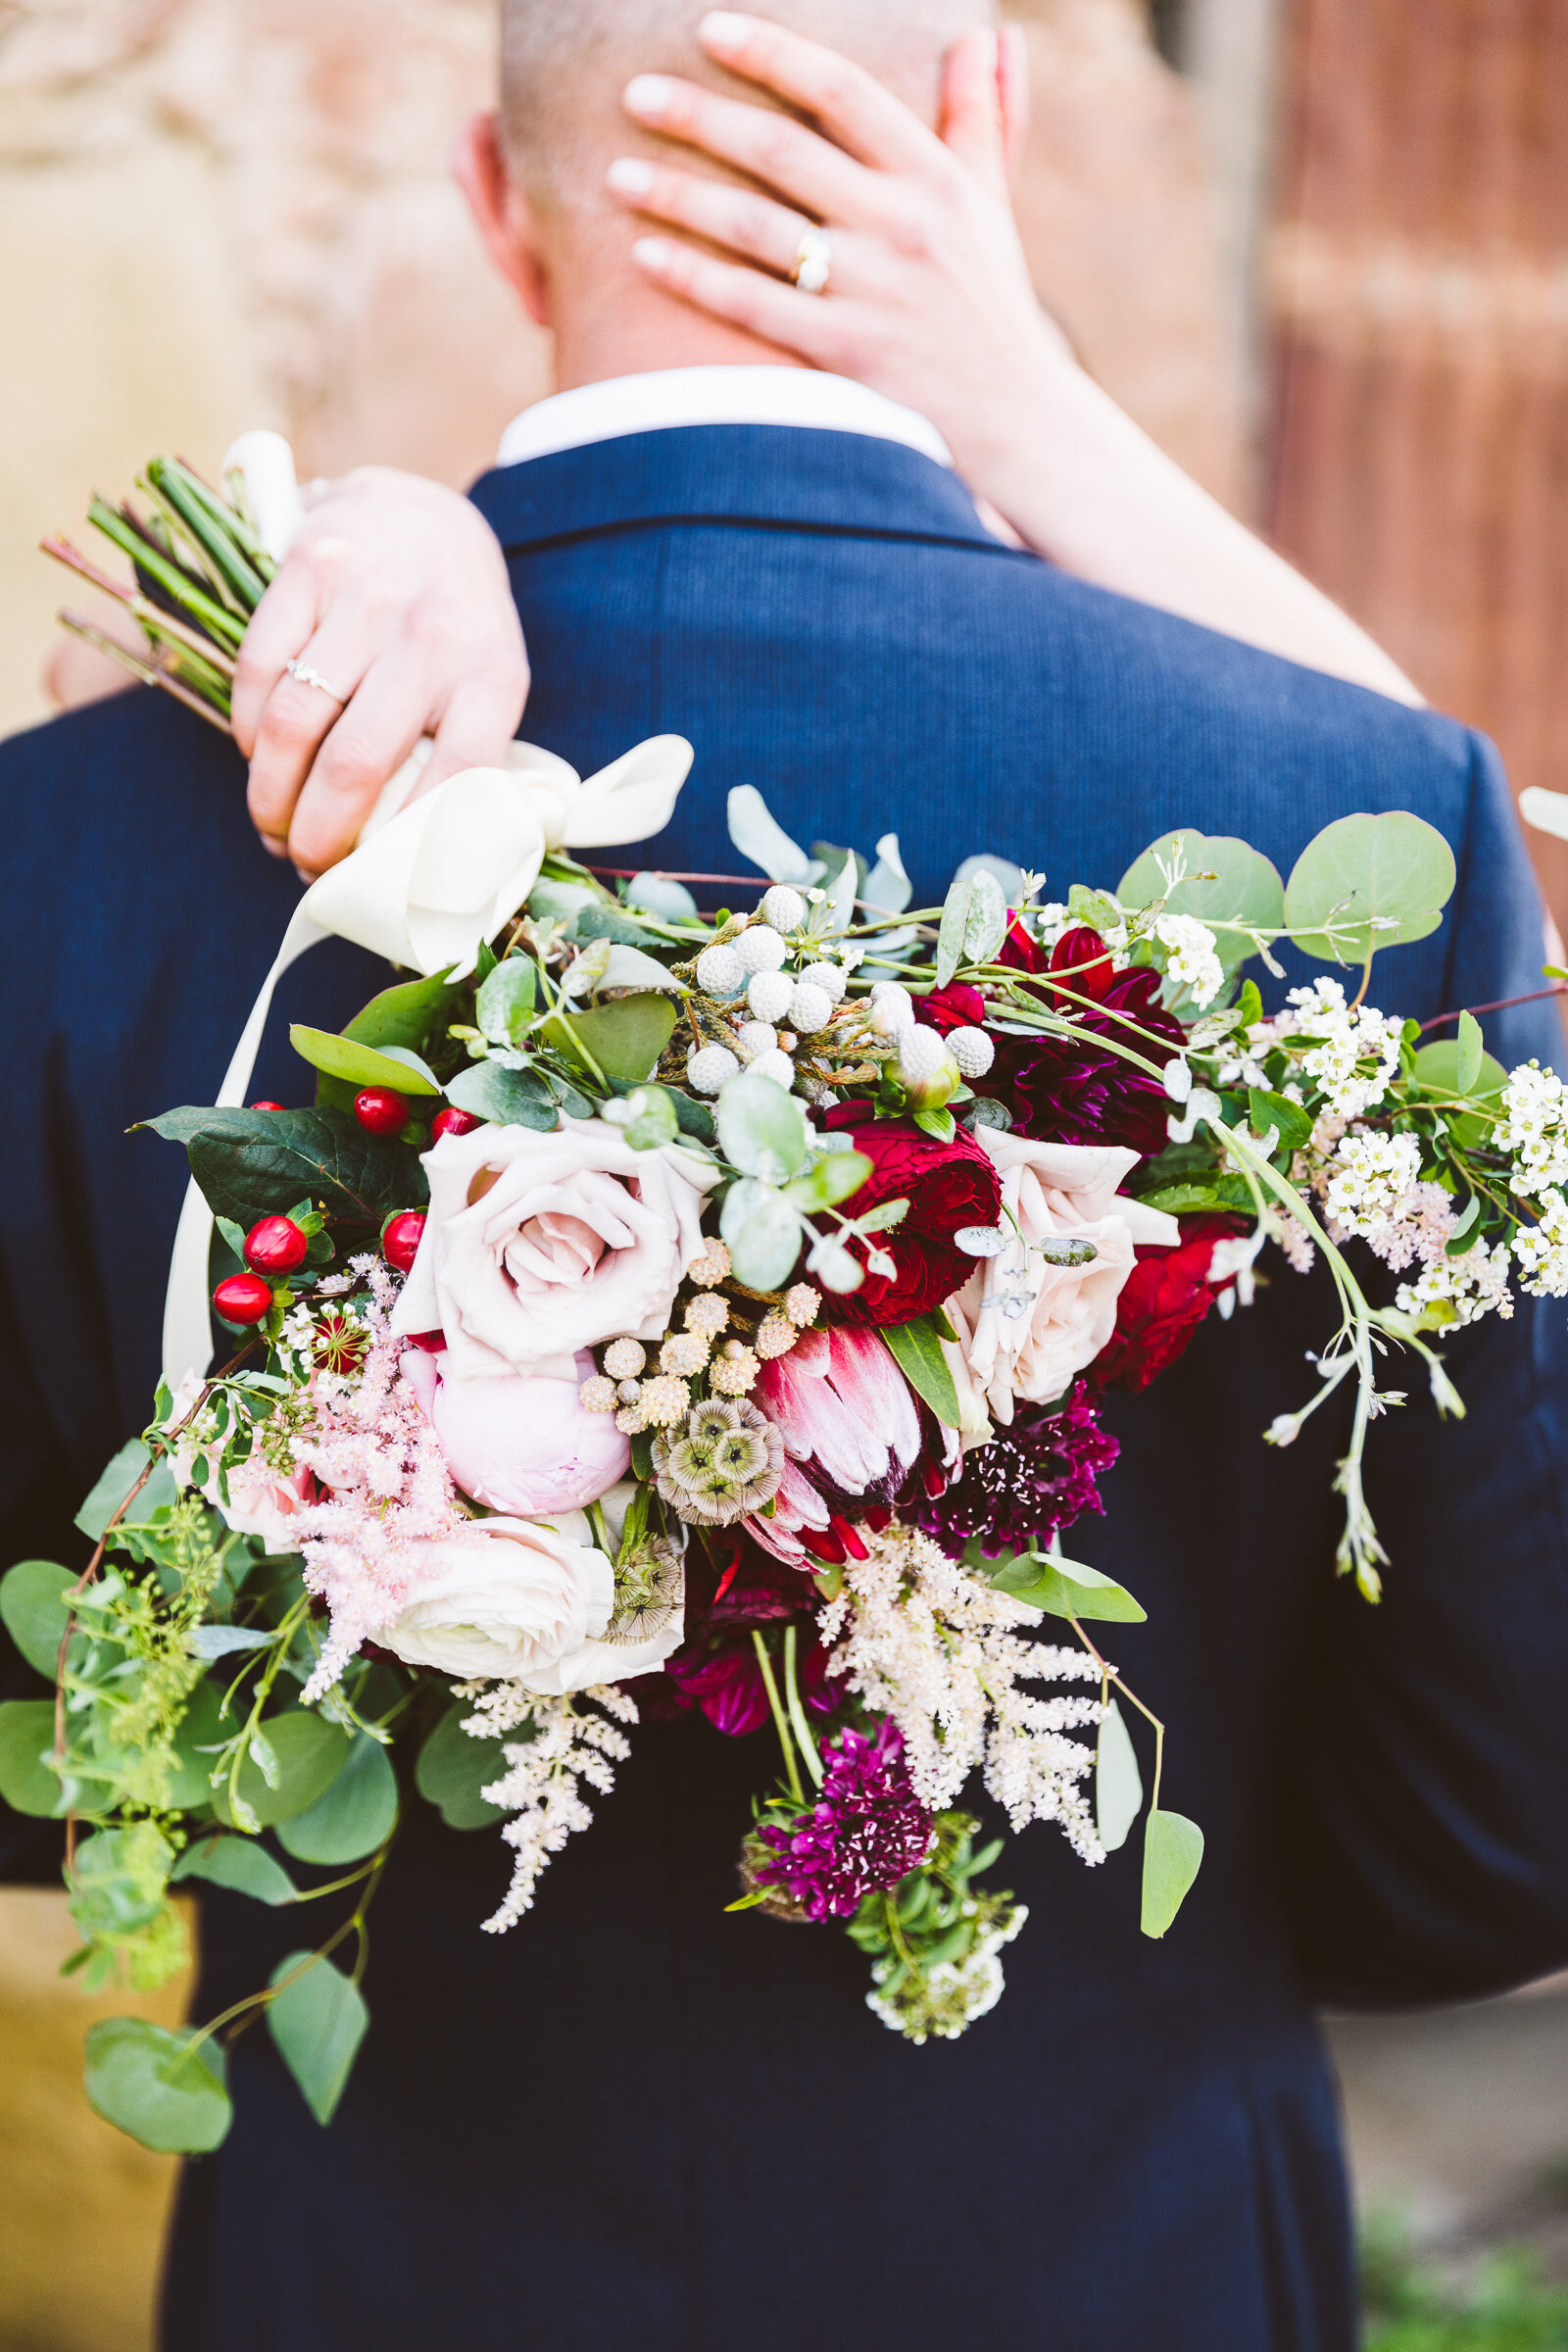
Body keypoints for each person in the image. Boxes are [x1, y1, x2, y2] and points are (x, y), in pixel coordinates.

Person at [4, 8, 1566, 2349]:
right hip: (1112, 2262)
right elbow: (1498, 1830)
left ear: (490, 195)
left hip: (388, 2277)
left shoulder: (92, 832)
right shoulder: (1343, 814)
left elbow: (61, 1759)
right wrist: (1156, 1928)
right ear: (987, 126)